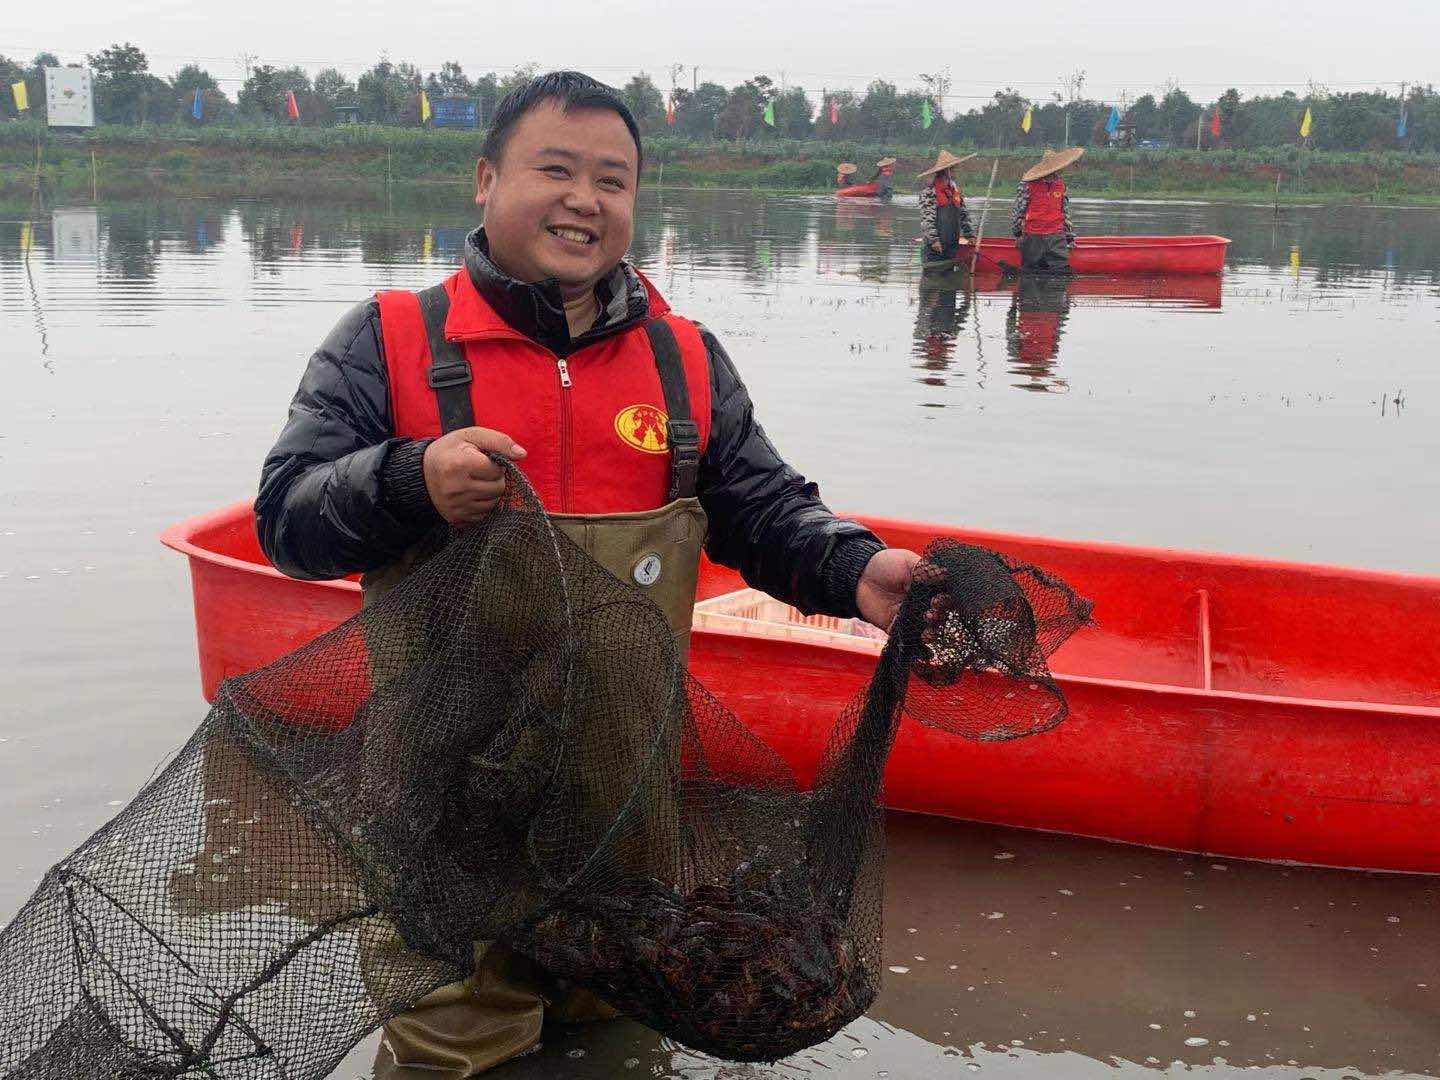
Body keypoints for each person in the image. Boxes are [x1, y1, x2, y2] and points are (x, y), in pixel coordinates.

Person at [254, 71, 924, 1079]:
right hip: (445, 840)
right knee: (453, 1058)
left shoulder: (685, 363)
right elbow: (288, 523)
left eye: (611, 179)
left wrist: (858, 569)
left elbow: (768, 508)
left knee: (621, 1053)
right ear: (485, 181)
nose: (583, 199)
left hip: (627, 839)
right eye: (554, 169)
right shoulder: (389, 342)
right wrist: (408, 477)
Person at [1011, 146, 1083, 272]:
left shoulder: (1060, 185)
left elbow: (1064, 212)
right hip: (1033, 235)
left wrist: (1069, 238)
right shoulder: (1027, 185)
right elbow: (1019, 210)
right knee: (1030, 272)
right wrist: (1017, 234)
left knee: (1061, 272)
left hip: (1056, 236)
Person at [918, 150, 977, 263]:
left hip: (952, 245)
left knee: (948, 274)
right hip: (935, 246)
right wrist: (934, 240)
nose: (957, 171)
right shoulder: (930, 192)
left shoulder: (954, 191)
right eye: (954, 168)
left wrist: (970, 235)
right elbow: (927, 220)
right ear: (947, 171)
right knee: (933, 276)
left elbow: (963, 214)